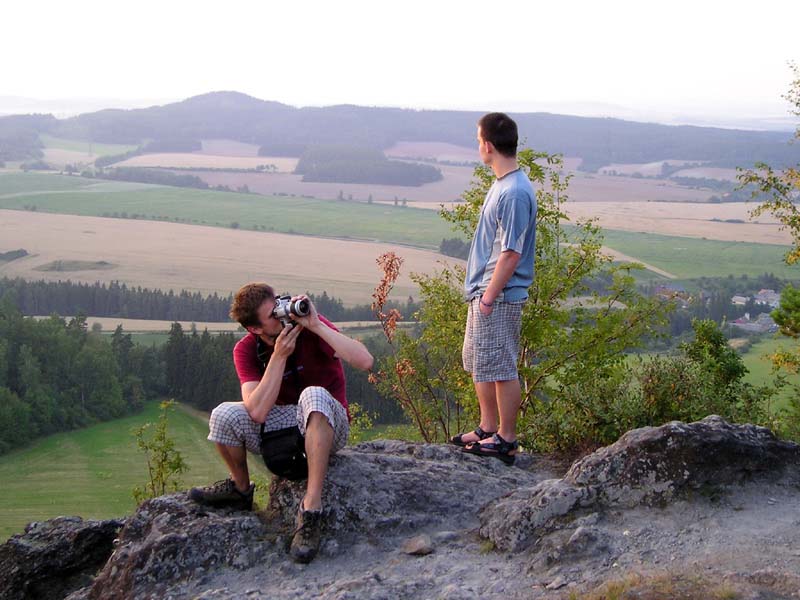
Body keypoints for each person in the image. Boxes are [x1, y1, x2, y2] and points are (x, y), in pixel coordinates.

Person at [189, 283, 374, 564]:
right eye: (272, 314)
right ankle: (240, 489)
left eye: (278, 303)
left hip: (328, 420)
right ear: (255, 329)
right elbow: (257, 411)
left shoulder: (309, 327)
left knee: (314, 395)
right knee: (224, 415)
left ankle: (311, 509)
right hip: (282, 421)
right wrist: (278, 357)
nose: (282, 313)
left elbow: (365, 361)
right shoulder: (246, 349)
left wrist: (316, 324)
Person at [450, 112, 537, 466]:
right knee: (479, 362)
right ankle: (488, 428)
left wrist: (488, 297)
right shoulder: (502, 183)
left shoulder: (514, 192)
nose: (477, 146)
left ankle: (507, 438)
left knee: (500, 366)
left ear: (487, 145)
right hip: (484, 292)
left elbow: (511, 252)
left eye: (477, 140)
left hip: (497, 294)